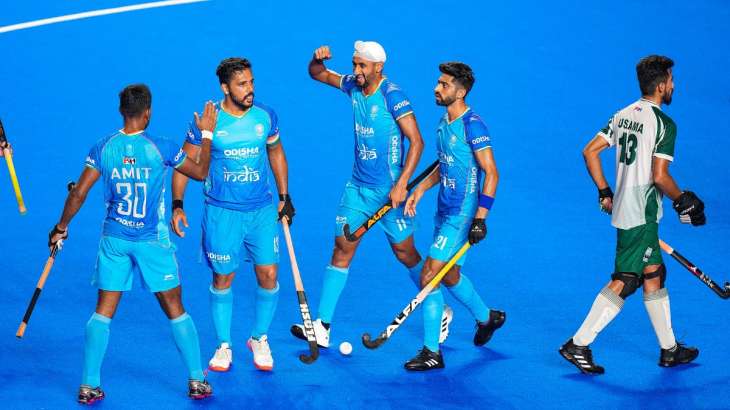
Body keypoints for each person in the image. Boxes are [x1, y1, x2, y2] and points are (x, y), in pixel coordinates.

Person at [48, 84, 216, 403]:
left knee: (103, 312)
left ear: (121, 111)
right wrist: (206, 135)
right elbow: (201, 171)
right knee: (176, 308)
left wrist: (60, 227)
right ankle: (196, 380)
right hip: (151, 241)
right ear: (148, 111)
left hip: (114, 241)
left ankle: (88, 384)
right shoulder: (161, 147)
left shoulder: (102, 148)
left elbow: (78, 193)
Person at [291, 41, 453, 348]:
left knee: (405, 254)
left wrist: (402, 184)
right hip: (358, 189)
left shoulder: (393, 96)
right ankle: (321, 326)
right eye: (354, 64)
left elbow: (417, 142)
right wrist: (315, 58)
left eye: (361, 66)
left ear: (378, 67)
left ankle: (438, 307)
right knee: (342, 247)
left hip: (390, 194)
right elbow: (318, 74)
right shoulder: (353, 85)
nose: (355, 71)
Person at [559, 55, 706, 375]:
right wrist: (684, 199)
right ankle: (578, 343)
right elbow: (659, 175)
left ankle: (669, 350)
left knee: (654, 273)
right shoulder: (664, 124)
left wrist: (604, 191)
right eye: (671, 80)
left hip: (626, 206)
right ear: (661, 85)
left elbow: (590, 151)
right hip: (642, 213)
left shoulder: (623, 114)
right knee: (627, 278)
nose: (673, 85)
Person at [171, 57, 294, 372]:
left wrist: (284, 196)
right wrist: (178, 204)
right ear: (225, 88)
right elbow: (185, 161)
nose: (250, 89)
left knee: (268, 275)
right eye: (242, 84)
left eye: (251, 82)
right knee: (223, 277)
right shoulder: (208, 121)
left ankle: (259, 338)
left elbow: (275, 151)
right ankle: (224, 345)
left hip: (261, 210)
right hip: (222, 213)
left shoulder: (265, 116)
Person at [403, 62, 506, 371]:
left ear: (460, 92)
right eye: (438, 82)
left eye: (444, 85)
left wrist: (481, 218)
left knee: (429, 275)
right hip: (444, 210)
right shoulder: (443, 122)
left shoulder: (473, 125)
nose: (437, 88)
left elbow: (491, 172)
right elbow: (445, 163)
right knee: (449, 275)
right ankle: (488, 317)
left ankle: (431, 351)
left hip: (462, 215)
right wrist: (420, 190)